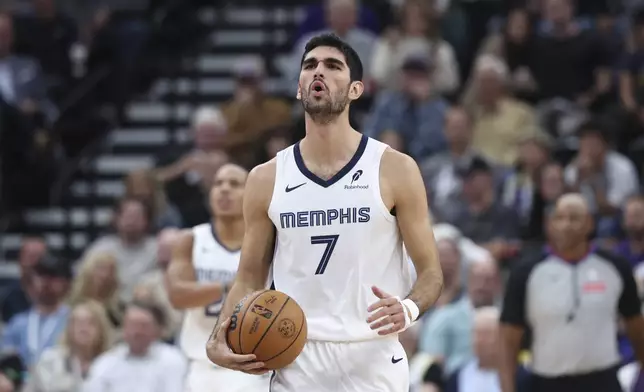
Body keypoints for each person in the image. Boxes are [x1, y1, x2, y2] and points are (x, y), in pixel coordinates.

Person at [206, 32, 443, 392]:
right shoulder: (265, 178)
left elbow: (431, 273)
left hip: (371, 355)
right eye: (309, 66)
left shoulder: (394, 168)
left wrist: (408, 309)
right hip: (295, 356)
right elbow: (248, 278)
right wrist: (218, 336)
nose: (319, 72)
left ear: (355, 90)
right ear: (299, 88)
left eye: (333, 66)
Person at [499, 193, 644, 392]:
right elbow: (508, 342)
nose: (566, 225)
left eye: (574, 218)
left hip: (603, 381)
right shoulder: (525, 273)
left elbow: (636, 329)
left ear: (590, 223)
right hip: (547, 382)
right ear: (549, 224)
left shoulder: (615, 267)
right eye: (559, 218)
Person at [167, 164, 270, 392]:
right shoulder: (191, 239)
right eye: (218, 183)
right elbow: (177, 296)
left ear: (251, 193)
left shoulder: (267, 243)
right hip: (201, 367)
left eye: (234, 184)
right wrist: (232, 287)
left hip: (251, 367)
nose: (224, 189)